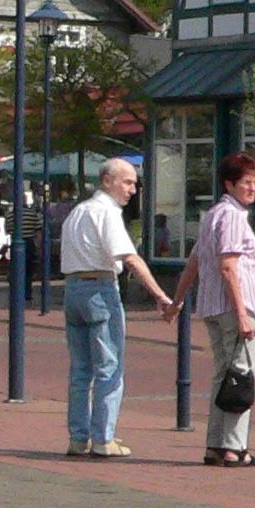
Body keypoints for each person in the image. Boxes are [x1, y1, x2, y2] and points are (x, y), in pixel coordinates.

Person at [59, 160, 176, 457]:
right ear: (107, 181)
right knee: (109, 367)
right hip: (99, 287)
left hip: (73, 289)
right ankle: (102, 438)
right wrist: (161, 296)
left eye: (134, 184)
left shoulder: (78, 211)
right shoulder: (107, 213)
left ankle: (78, 437)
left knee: (81, 369)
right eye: (127, 182)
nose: (133, 190)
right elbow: (130, 259)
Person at [167, 152, 255, 466]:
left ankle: (215, 445)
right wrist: (242, 315)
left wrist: (177, 301)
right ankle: (235, 447)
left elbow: (194, 263)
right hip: (236, 306)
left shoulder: (212, 215)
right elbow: (228, 267)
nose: (252, 188)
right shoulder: (234, 217)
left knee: (223, 376)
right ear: (229, 183)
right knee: (240, 376)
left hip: (211, 307)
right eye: (246, 182)